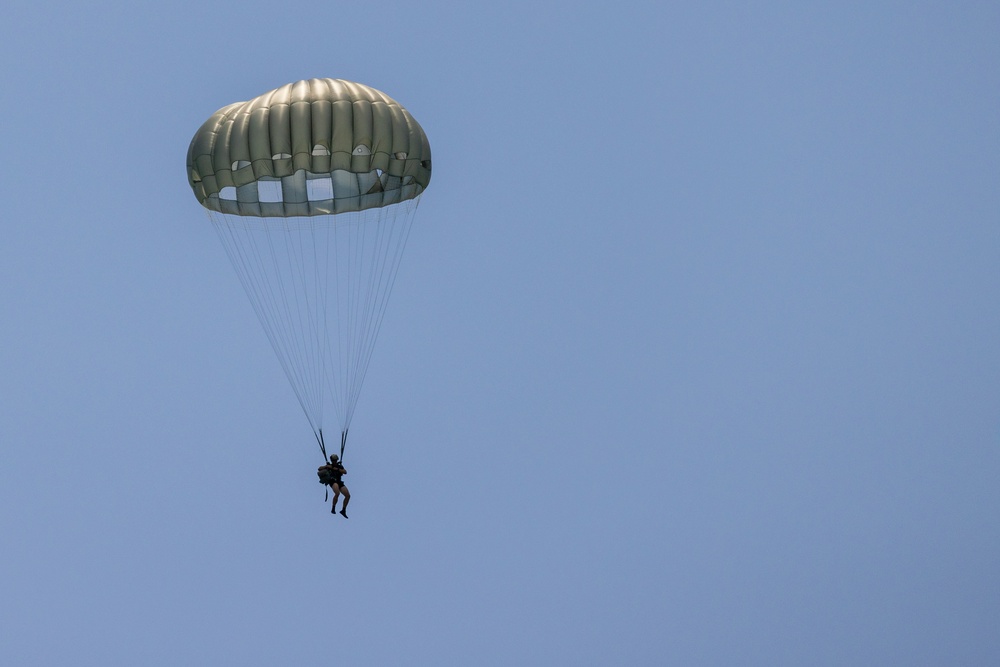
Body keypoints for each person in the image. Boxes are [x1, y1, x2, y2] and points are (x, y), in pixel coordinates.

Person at [325, 454, 350, 518]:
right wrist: (327, 467)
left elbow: (345, 472)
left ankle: (343, 510)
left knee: (348, 495)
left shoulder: (339, 466)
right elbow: (319, 468)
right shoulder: (329, 466)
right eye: (333, 460)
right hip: (333, 481)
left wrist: (335, 469)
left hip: (339, 482)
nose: (334, 462)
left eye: (335, 460)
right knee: (337, 493)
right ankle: (333, 508)